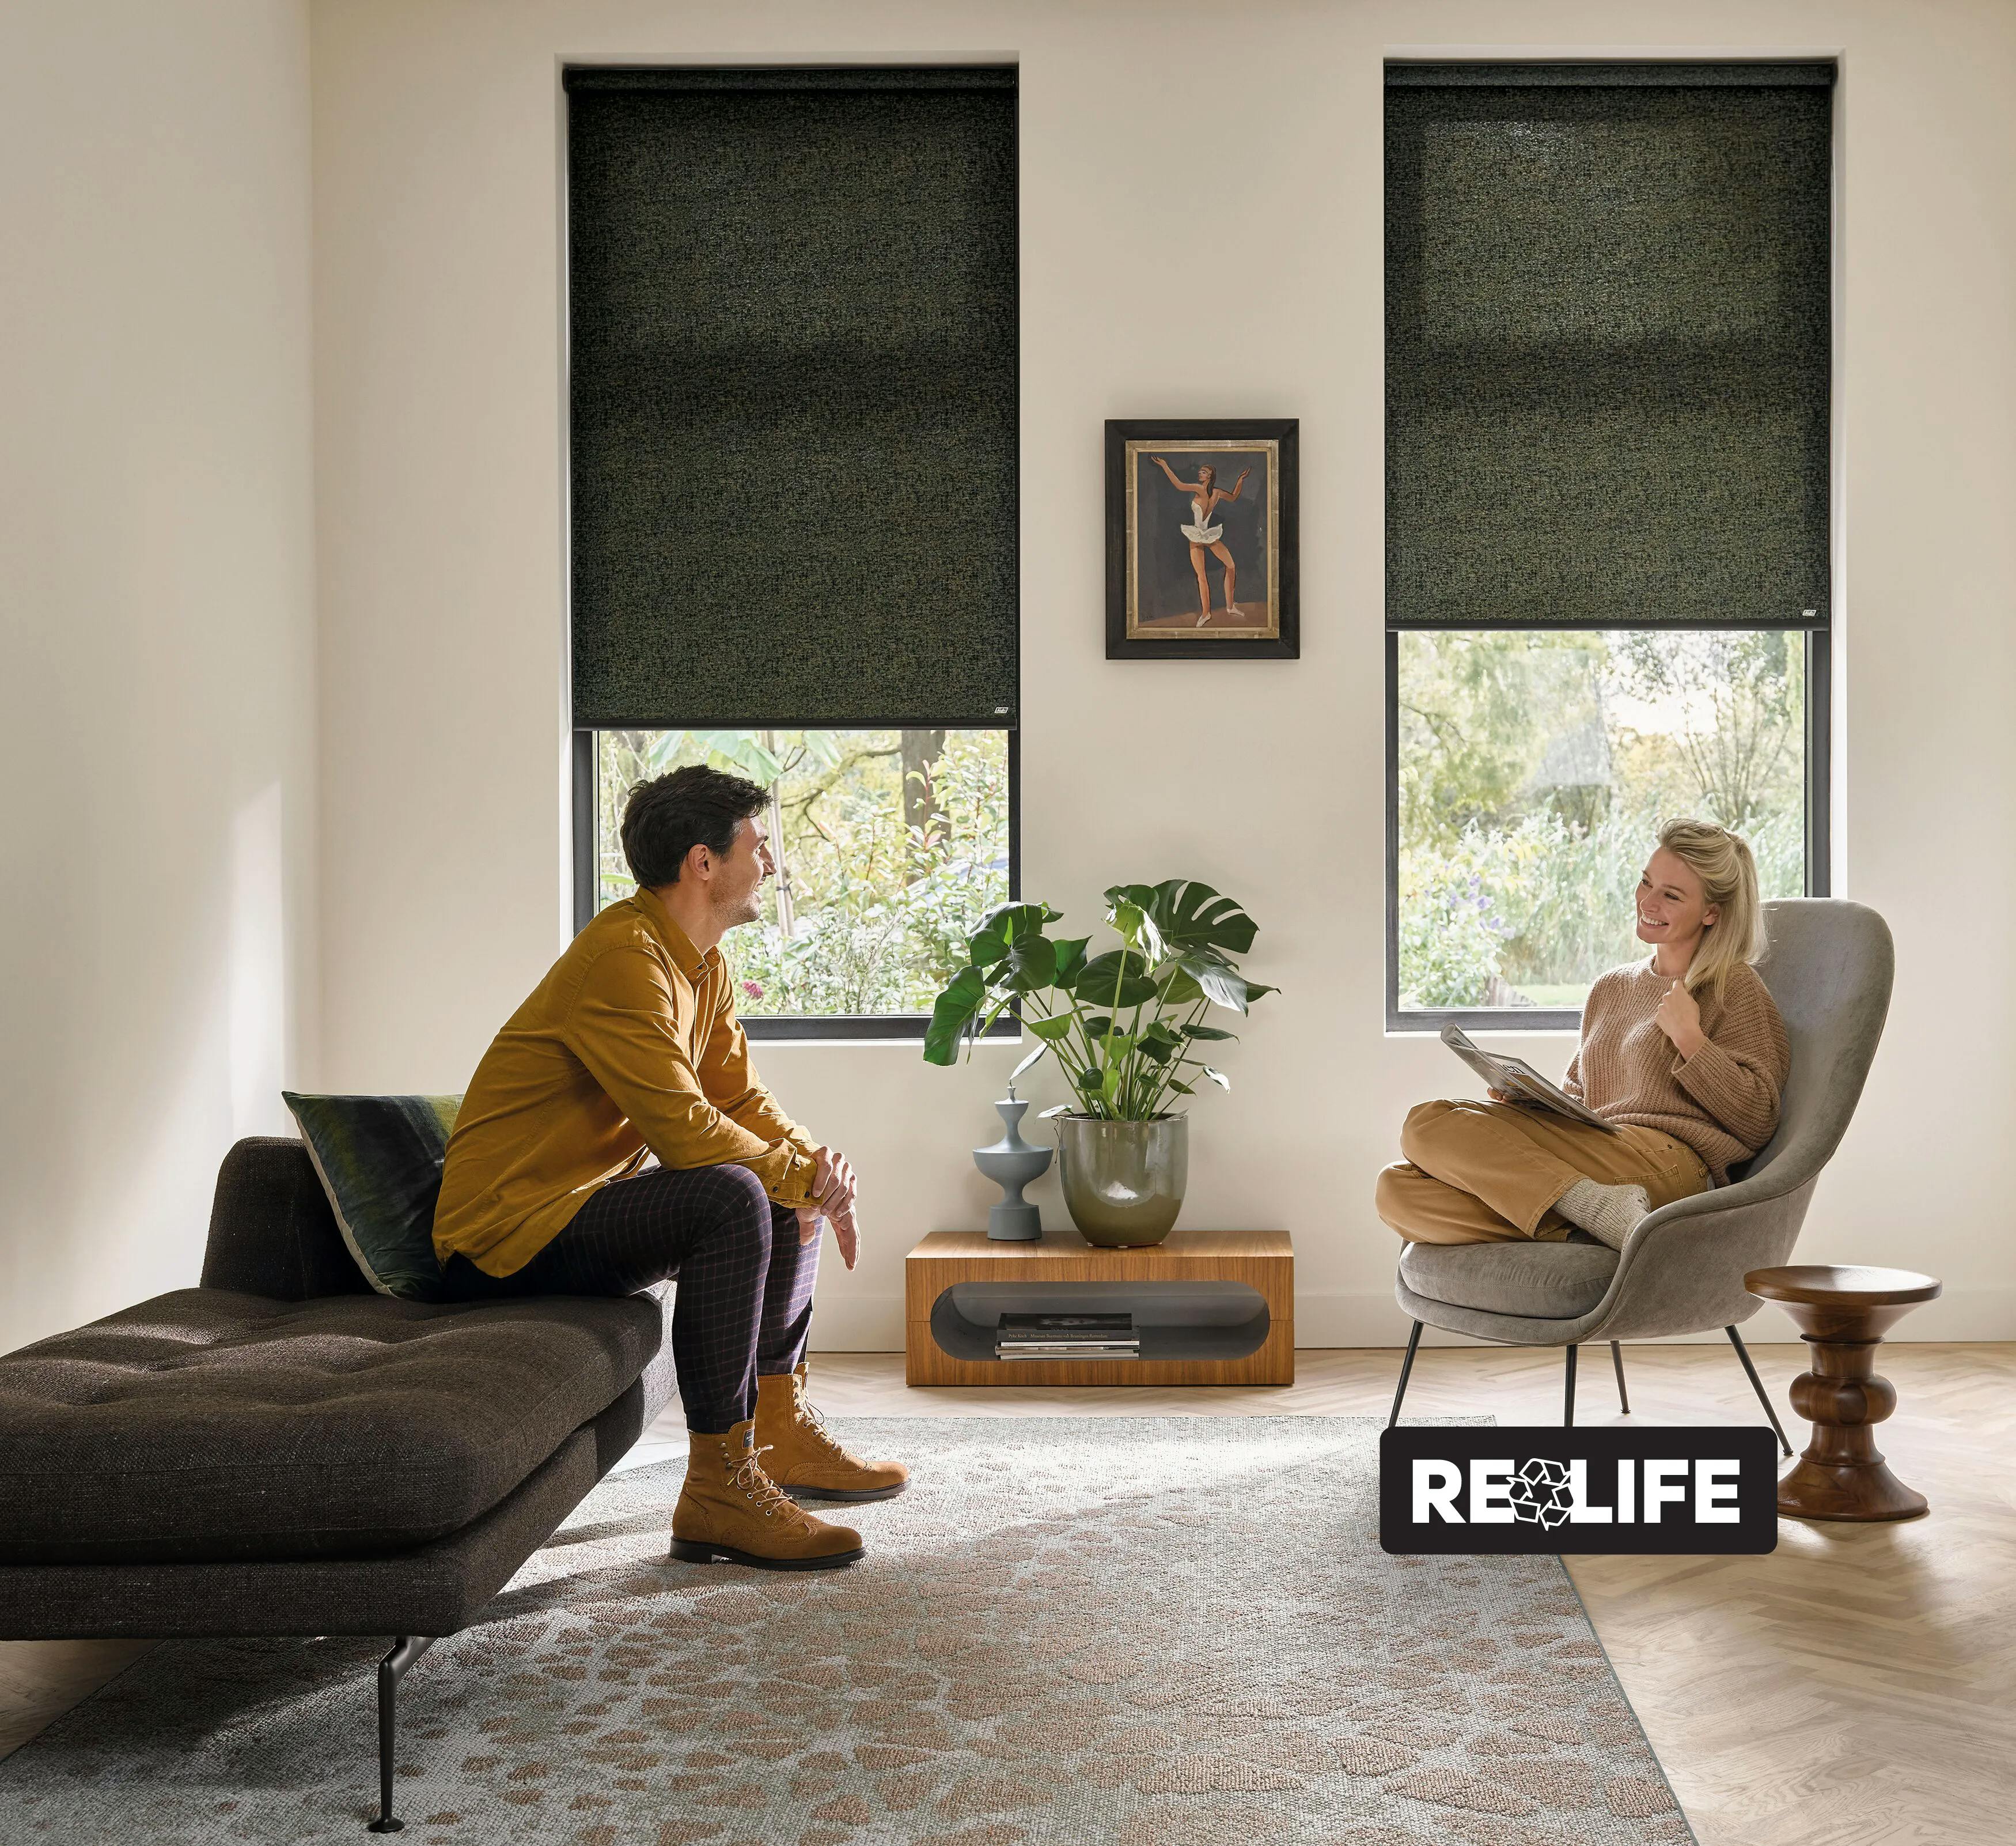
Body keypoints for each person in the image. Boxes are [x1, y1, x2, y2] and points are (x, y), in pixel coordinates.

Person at [432, 763, 907, 1571]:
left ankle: (779, 1432)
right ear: (703, 863)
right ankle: (717, 1491)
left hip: (578, 1209)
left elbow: (740, 1100)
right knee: (733, 1190)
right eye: (760, 846)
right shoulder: (624, 959)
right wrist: (795, 1175)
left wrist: (814, 1168)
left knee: (772, 1178)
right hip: (503, 1237)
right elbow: (687, 1133)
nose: (772, 864)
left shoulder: (703, 964)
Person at [1376, 819, 1790, 1250]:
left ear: (1711, 912)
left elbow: (1760, 1121)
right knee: (1398, 1188)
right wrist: (1533, 1103)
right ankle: (1596, 1222)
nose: (1647, 901)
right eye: (1645, 883)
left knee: (1430, 1122)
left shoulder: (1732, 986)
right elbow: (1580, 1097)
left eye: (1670, 895)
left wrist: (1692, 1042)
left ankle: (1597, 1213)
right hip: (1598, 1150)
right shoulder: (1611, 987)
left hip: (1671, 1165)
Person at [1148, 454, 1252, 625]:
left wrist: (1165, 466)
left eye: (1203, 472)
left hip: (1204, 535)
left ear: (1210, 476)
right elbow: (1233, 496)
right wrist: (1240, 480)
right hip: (1202, 535)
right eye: (1201, 472)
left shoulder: (1202, 490)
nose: (1200, 474)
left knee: (1227, 567)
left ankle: (1228, 607)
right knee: (1204, 575)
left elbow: (1179, 485)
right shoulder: (1215, 492)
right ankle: (1207, 613)